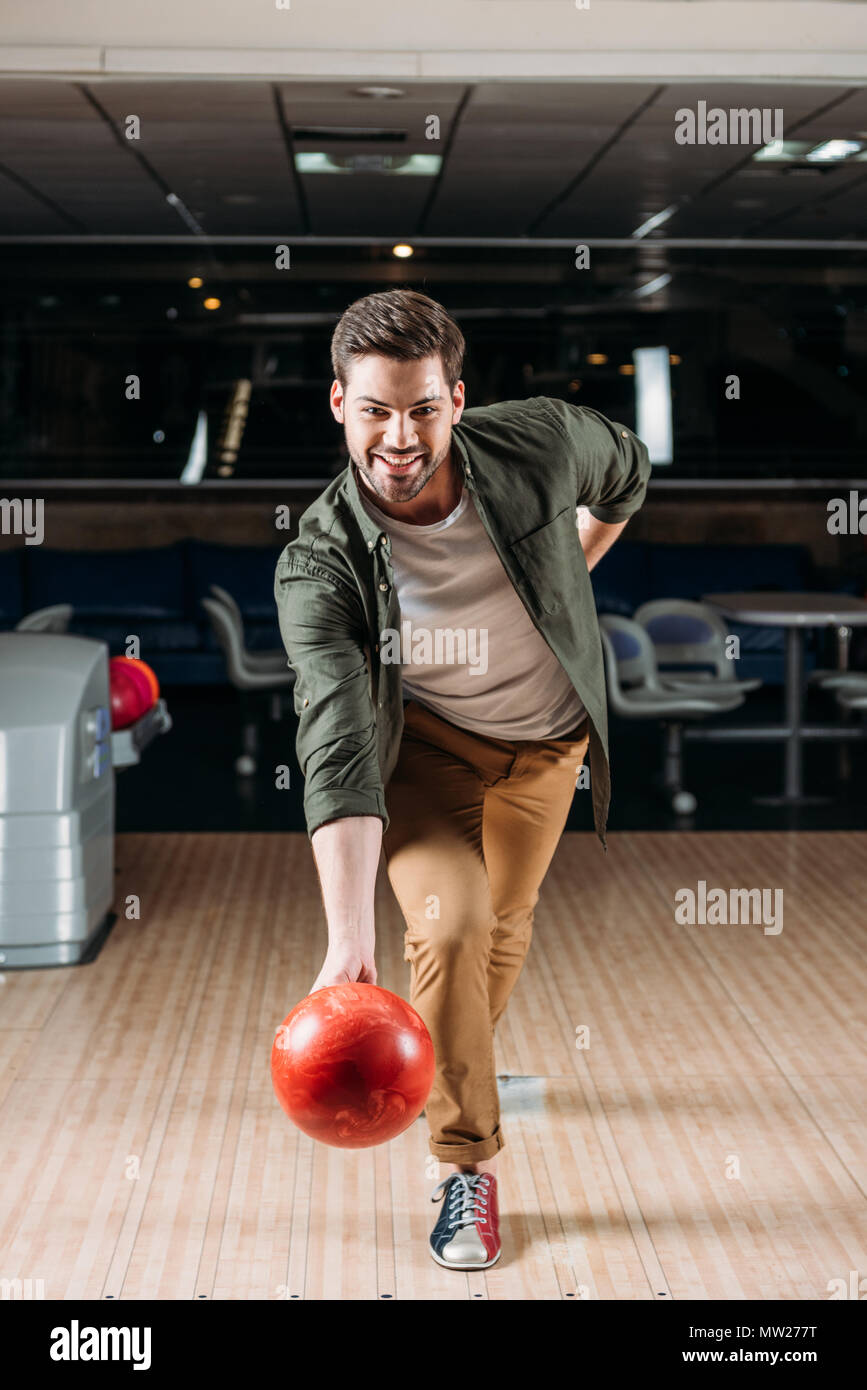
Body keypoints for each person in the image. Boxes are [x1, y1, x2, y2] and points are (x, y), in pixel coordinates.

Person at [274, 288, 651, 1270]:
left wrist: (569, 570)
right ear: (337, 406)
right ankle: (463, 1165)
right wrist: (349, 944)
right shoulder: (321, 563)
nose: (400, 438)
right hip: (429, 751)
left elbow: (631, 470)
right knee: (450, 925)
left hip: (548, 745)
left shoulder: (543, 444)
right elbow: (341, 743)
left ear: (457, 398)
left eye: (423, 408)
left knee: (505, 926)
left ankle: (458, 1055)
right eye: (374, 411)